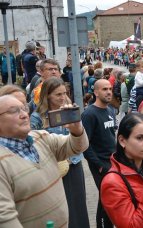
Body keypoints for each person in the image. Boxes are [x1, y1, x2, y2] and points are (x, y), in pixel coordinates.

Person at [0, 95, 88, 227]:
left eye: (24, 109)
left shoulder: (40, 137)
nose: (24, 115)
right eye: (13, 111)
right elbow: (5, 218)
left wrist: (76, 130)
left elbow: (77, 147)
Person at [29, 77, 89, 228]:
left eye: (64, 93)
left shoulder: (68, 111)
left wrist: (76, 124)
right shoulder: (37, 117)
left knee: (78, 204)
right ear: (47, 95)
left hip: (74, 163)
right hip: (54, 168)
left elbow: (81, 139)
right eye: (58, 94)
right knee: (63, 207)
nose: (63, 97)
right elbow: (33, 145)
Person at [81, 79, 117, 227]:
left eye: (110, 88)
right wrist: (99, 165)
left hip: (113, 161)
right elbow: (84, 145)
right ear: (96, 92)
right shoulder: (89, 114)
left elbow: (111, 136)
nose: (108, 92)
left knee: (110, 199)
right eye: (104, 89)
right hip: (101, 165)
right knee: (106, 199)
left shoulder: (110, 110)